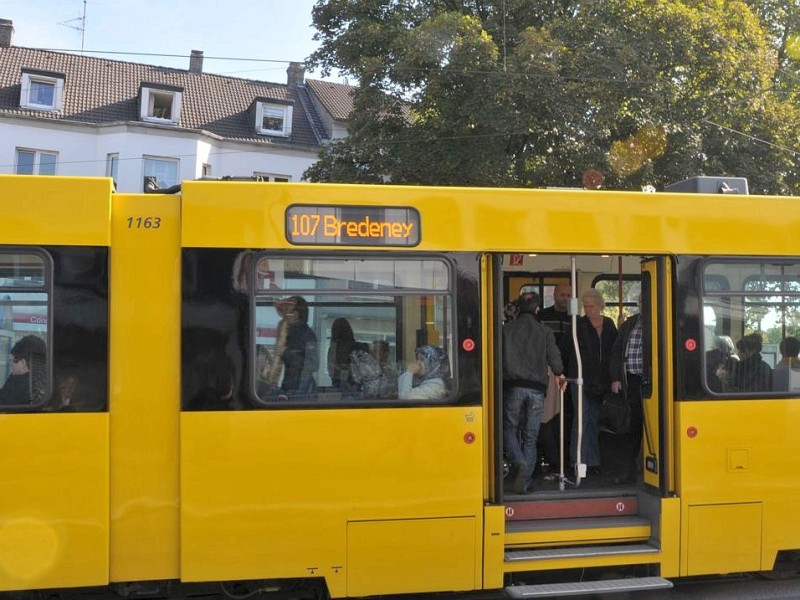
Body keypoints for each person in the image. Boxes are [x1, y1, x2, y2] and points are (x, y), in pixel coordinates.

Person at [502, 293, 566, 494]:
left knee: (508, 428)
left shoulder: (506, 330)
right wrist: (559, 373)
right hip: (537, 389)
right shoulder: (545, 331)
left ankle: (518, 461)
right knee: (531, 436)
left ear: (518, 309)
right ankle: (526, 480)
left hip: (512, 386)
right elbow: (555, 360)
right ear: (538, 310)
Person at [560, 288, 617, 477]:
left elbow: (614, 350)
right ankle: (577, 462)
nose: (588, 309)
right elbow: (567, 349)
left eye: (591, 306)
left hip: (602, 381)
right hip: (581, 380)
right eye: (585, 306)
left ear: (600, 306)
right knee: (581, 421)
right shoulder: (578, 325)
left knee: (594, 421)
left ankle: (593, 461)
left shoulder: (609, 325)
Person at [609, 296, 645, 485]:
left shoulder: (663, 320)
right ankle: (629, 470)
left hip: (653, 384)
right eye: (641, 301)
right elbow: (616, 350)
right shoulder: (630, 323)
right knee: (632, 426)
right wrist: (616, 378)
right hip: (630, 381)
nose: (643, 303)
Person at [259, 296, 318, 400]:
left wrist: (285, 352)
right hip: (288, 385)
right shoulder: (286, 331)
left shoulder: (307, 334)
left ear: (296, 314)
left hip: (300, 387)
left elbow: (313, 364)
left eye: (288, 311)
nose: (285, 316)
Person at [0, 335, 47, 406]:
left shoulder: (19, 388)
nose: (11, 364)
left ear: (23, 363)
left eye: (12, 360)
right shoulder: (46, 381)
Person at [327, 318, 367, 390]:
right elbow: (365, 371)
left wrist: (339, 369)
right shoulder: (358, 347)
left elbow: (331, 372)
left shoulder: (333, 349)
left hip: (337, 387)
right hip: (356, 387)